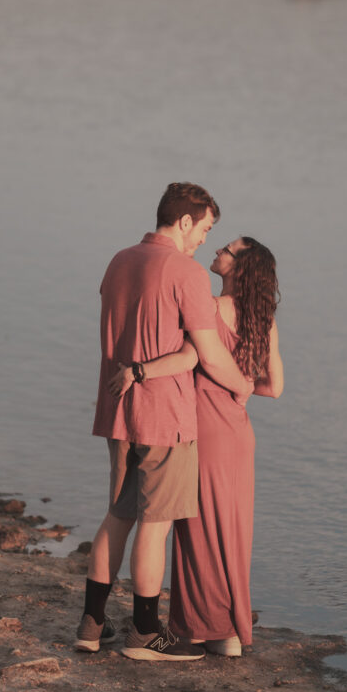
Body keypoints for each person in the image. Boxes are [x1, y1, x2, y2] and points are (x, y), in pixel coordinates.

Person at [75, 183, 251, 662]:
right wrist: (243, 385)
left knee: (118, 515)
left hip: (116, 410)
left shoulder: (118, 260)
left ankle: (91, 626)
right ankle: (146, 632)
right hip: (164, 414)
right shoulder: (186, 272)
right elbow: (208, 353)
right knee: (156, 524)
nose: (203, 240)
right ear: (185, 221)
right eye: (205, 228)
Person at [110, 236, 283, 657]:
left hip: (202, 424)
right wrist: (242, 389)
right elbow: (275, 387)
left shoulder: (208, 305)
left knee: (196, 528)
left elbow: (196, 357)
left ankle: (199, 629)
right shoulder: (265, 318)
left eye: (227, 250)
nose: (218, 251)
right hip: (239, 433)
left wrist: (140, 372)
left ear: (238, 268)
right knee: (233, 529)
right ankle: (229, 632)